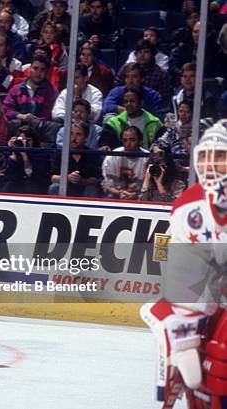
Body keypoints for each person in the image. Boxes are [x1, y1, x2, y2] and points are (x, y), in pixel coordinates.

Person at [140, 120, 227, 409]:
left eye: (221, 156)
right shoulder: (189, 209)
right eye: (207, 156)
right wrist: (180, 331)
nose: (213, 165)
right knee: (213, 360)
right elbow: (187, 293)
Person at [47, 120, 102, 197]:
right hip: (65, 185)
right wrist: (67, 178)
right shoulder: (60, 153)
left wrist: (82, 181)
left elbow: (96, 180)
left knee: (91, 190)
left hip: (84, 187)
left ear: (85, 138)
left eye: (78, 134)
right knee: (54, 187)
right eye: (71, 134)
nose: (74, 138)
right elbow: (52, 177)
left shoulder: (92, 155)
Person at [99, 88, 163, 151]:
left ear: (141, 103)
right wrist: (105, 146)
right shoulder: (113, 123)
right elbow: (105, 143)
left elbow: (160, 145)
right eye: (126, 102)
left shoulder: (155, 123)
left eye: (132, 101)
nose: (128, 104)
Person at [0, 124, 51, 194]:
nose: (24, 143)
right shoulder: (10, 152)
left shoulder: (41, 154)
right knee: (8, 185)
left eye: (28, 140)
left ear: (34, 141)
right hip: (14, 184)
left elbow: (32, 176)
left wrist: (25, 156)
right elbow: (7, 173)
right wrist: (12, 151)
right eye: (21, 140)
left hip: (34, 185)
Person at [3, 55, 58, 124]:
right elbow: (6, 109)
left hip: (40, 130)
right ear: (29, 69)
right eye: (35, 68)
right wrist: (21, 116)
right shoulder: (16, 89)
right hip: (16, 128)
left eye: (42, 70)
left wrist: (32, 121)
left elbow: (48, 115)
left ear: (47, 72)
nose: (38, 73)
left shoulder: (52, 92)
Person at [101, 126, 149, 200]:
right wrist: (119, 193)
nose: (128, 144)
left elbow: (149, 185)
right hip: (116, 194)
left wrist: (137, 194)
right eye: (125, 140)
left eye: (132, 140)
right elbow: (107, 184)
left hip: (140, 195)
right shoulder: (112, 157)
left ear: (140, 141)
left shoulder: (147, 159)